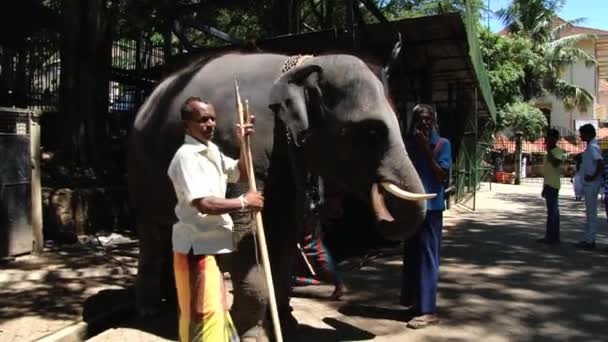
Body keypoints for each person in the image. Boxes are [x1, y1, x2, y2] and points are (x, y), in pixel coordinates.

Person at [167, 97, 263, 342]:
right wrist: (244, 202)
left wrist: (244, 143)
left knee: (212, 312)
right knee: (204, 316)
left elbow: (241, 171)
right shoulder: (186, 156)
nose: (210, 124)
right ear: (187, 124)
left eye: (212, 118)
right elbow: (205, 204)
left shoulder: (212, 152)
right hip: (195, 249)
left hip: (211, 248)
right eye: (202, 119)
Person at [401, 104, 451, 329]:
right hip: (412, 207)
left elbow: (442, 175)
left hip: (431, 209)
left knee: (428, 257)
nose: (424, 122)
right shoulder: (408, 144)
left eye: (428, 119)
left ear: (434, 121)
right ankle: (416, 303)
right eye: (420, 119)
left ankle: (429, 310)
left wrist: (426, 150)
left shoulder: (442, 144)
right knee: (412, 256)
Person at [576, 124, 603, 250]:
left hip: (592, 184)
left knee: (591, 213)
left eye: (582, 133)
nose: (580, 136)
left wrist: (593, 177)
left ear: (588, 134)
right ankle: (588, 239)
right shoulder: (589, 147)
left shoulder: (593, 147)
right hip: (588, 184)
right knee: (589, 212)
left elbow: (600, 163)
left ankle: (591, 241)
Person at [537, 129, 565, 244]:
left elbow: (556, 163)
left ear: (554, 139)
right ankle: (551, 236)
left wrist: (549, 151)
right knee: (552, 212)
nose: (546, 140)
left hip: (553, 185)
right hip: (548, 184)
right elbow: (547, 172)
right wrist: (544, 187)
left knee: (553, 213)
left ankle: (552, 237)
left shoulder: (557, 151)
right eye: (546, 138)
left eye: (548, 138)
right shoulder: (549, 152)